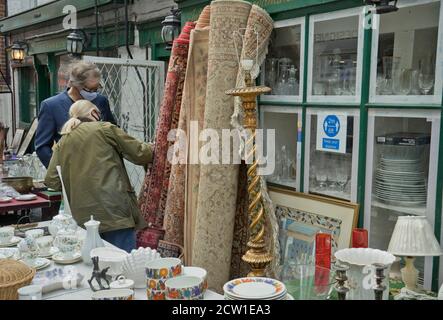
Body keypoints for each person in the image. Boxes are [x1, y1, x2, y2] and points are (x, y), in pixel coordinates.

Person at [44, 100, 152, 252]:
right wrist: (154, 146)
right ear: (94, 113)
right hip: (115, 211)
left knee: (94, 267)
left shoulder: (64, 141)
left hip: (82, 218)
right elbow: (141, 154)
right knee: (123, 264)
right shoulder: (105, 129)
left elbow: (52, 180)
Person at [35, 61, 116, 168]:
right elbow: (42, 147)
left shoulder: (101, 101)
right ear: (75, 84)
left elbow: (113, 132)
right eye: (90, 89)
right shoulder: (51, 106)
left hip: (101, 167)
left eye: (96, 89)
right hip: (71, 168)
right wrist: (59, 171)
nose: (93, 93)